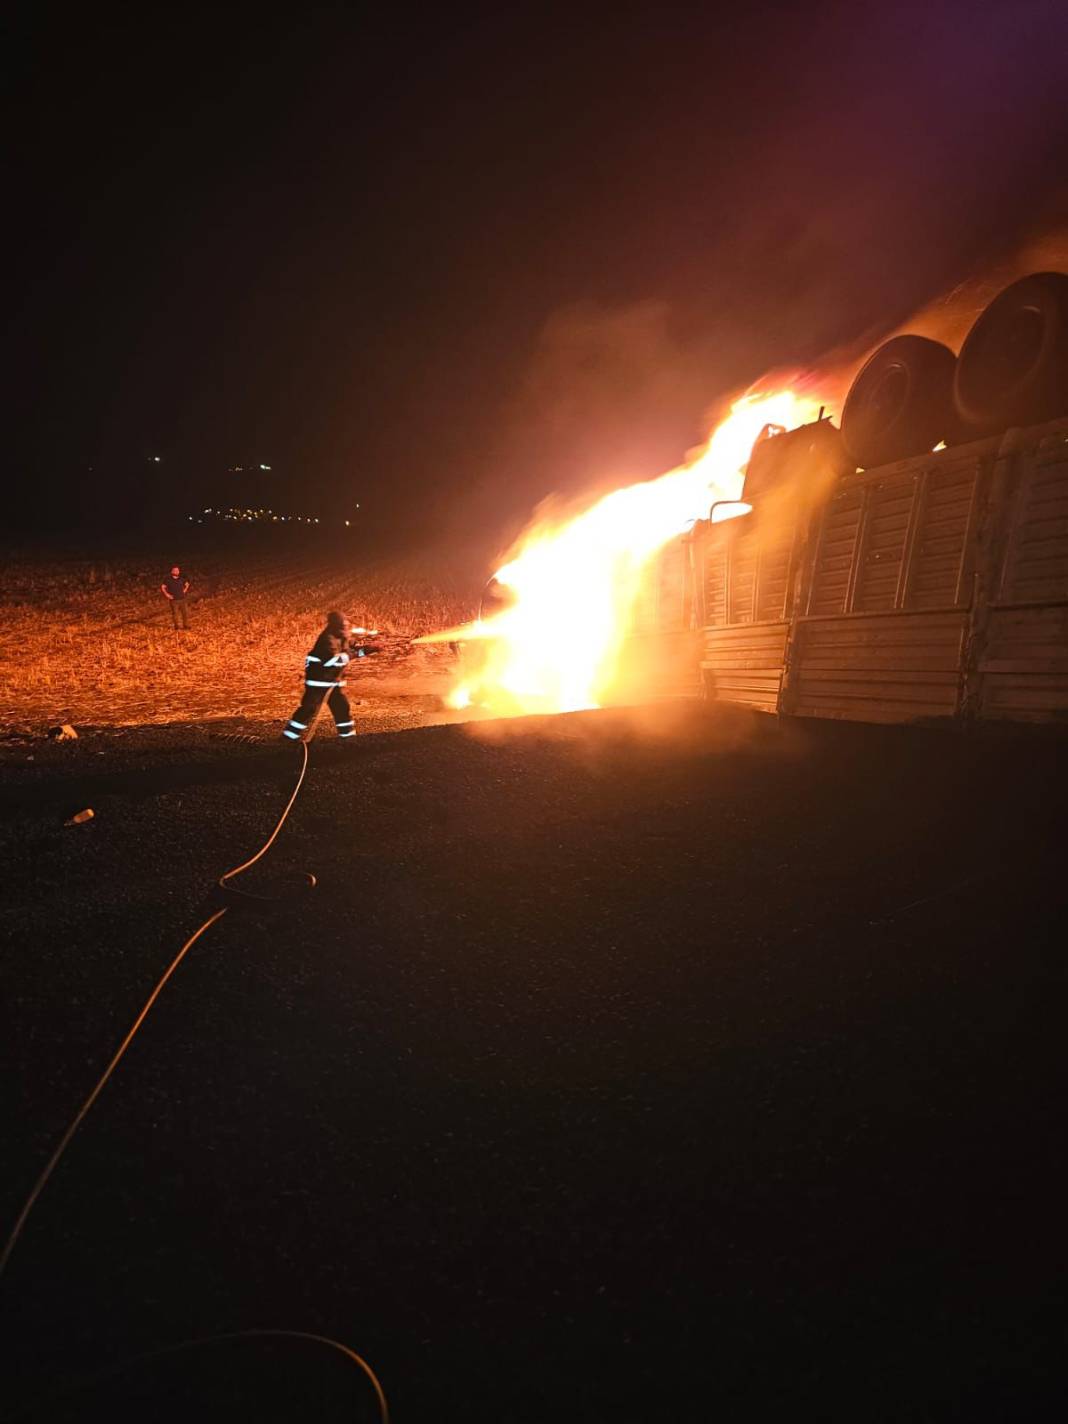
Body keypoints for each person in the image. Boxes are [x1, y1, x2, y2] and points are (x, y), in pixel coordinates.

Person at [282, 611, 379, 742]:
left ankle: (349, 739)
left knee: (342, 708)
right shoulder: (328, 640)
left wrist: (370, 649)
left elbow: (351, 650)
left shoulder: (340, 636)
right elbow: (334, 660)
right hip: (319, 683)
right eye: (344, 625)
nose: (346, 627)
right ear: (336, 625)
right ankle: (288, 738)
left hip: (333, 683)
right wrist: (355, 653)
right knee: (309, 709)